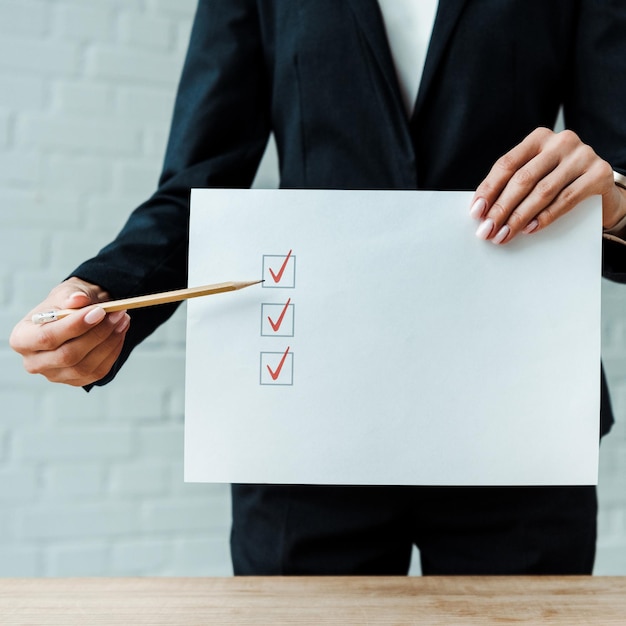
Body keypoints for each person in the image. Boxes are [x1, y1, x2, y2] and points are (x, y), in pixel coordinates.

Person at [10, 0, 626, 575]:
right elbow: (196, 186)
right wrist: (97, 293)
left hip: (516, 415)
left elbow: (614, 184)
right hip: (306, 421)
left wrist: (613, 202)